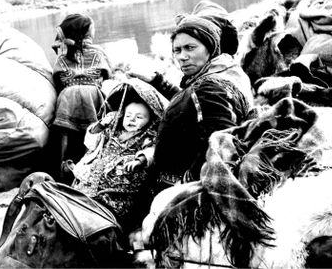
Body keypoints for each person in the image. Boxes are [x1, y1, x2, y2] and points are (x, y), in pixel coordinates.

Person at [128, 14, 254, 190]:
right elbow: (192, 104)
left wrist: (186, 184)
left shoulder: (210, 88)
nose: (182, 57)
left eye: (190, 48)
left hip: (183, 188)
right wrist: (157, 81)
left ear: (210, 48)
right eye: (177, 50)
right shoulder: (226, 71)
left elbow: (220, 144)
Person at [70, 78, 168, 244]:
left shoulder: (148, 137)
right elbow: (90, 142)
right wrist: (100, 126)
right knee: (79, 192)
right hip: (94, 177)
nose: (132, 120)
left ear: (149, 120)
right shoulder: (112, 130)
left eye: (139, 117)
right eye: (128, 115)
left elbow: (152, 151)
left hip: (120, 187)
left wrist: (140, 160)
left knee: (112, 205)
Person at [51, 13, 112, 170]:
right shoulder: (98, 52)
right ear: (86, 33)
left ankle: (62, 162)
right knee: (93, 129)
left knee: (65, 132)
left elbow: (57, 78)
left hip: (68, 95)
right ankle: (89, 162)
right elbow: (107, 75)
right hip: (92, 94)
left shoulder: (62, 56)